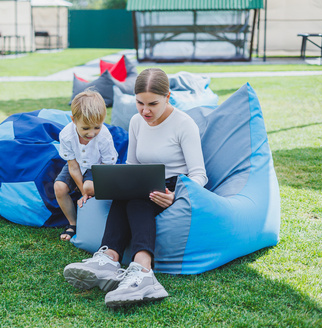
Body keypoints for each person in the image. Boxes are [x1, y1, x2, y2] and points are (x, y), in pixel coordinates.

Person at [63, 68, 208, 308]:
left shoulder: (184, 124)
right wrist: (118, 183)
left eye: (153, 104)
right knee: (128, 192)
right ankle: (108, 260)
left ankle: (143, 271)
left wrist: (177, 196)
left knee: (139, 198)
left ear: (168, 97)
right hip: (143, 181)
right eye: (140, 103)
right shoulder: (136, 121)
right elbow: (132, 164)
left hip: (171, 186)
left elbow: (199, 174)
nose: (145, 111)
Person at [55, 90, 118, 241]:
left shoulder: (104, 137)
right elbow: (73, 166)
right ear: (74, 120)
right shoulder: (66, 135)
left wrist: (87, 189)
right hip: (77, 165)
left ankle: (94, 219)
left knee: (90, 187)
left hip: (98, 166)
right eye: (86, 128)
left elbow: (107, 166)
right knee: (59, 187)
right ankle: (73, 223)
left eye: (97, 127)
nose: (91, 133)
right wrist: (82, 190)